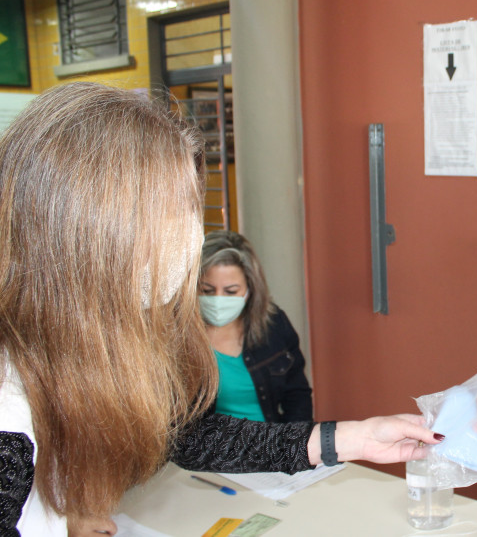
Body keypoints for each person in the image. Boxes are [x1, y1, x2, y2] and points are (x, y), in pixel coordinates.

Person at [0, 82, 444, 536]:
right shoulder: (8, 412)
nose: (189, 239)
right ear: (81, 226)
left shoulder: (94, 341)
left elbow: (190, 436)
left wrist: (356, 437)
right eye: (168, 213)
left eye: (192, 211)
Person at [199, 230, 313, 423]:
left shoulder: (273, 324)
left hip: (270, 446)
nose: (218, 299)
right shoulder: (178, 338)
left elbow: (297, 396)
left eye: (231, 291)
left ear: (250, 290)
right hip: (210, 451)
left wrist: (292, 448)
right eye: (207, 290)